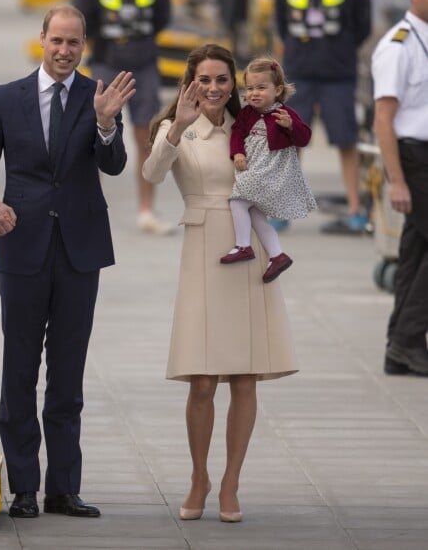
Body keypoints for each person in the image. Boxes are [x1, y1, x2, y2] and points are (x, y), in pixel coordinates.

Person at [0, 5, 135, 519]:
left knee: (68, 374)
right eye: (57, 41)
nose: (65, 51)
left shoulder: (97, 96)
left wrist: (106, 125)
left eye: (74, 43)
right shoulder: (5, 99)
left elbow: (115, 164)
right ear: (42, 39)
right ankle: (22, 487)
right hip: (22, 250)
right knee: (19, 371)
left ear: (84, 45)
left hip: (79, 253)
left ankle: (62, 487)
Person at [143, 44, 298, 522]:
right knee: (203, 381)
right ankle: (199, 476)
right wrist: (181, 126)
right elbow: (151, 174)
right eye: (204, 79)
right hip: (202, 249)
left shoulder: (252, 124)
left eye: (222, 80)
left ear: (234, 82)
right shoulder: (175, 127)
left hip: (246, 245)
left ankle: (231, 481)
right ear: (189, 82)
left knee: (246, 377)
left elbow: (281, 175)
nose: (213, 88)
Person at [72, 0, 174, 235]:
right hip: (107, 64)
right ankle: (88, 209)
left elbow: (163, 15)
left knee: (147, 137)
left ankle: (147, 210)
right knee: (95, 136)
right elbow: (81, 18)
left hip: (145, 65)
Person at [274, 0, 371, 234]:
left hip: (338, 74)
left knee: (346, 139)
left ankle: (354, 210)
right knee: (290, 139)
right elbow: (281, 24)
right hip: (299, 72)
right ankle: (281, 209)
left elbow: (363, 25)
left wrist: (338, 48)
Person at [371, 0, 428, 377]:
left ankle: (399, 346)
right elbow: (383, 119)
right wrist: (397, 180)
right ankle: (409, 339)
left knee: (416, 252)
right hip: (413, 157)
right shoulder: (398, 45)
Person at [221, 57, 316, 283]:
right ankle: (277, 255)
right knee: (255, 214)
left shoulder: (284, 113)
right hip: (254, 166)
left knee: (237, 201)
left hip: (271, 170)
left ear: (278, 89)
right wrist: (238, 153)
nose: (254, 93)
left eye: (261, 88)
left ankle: (243, 245)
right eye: (250, 88)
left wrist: (291, 126)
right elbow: (236, 134)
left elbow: (305, 138)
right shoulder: (246, 113)